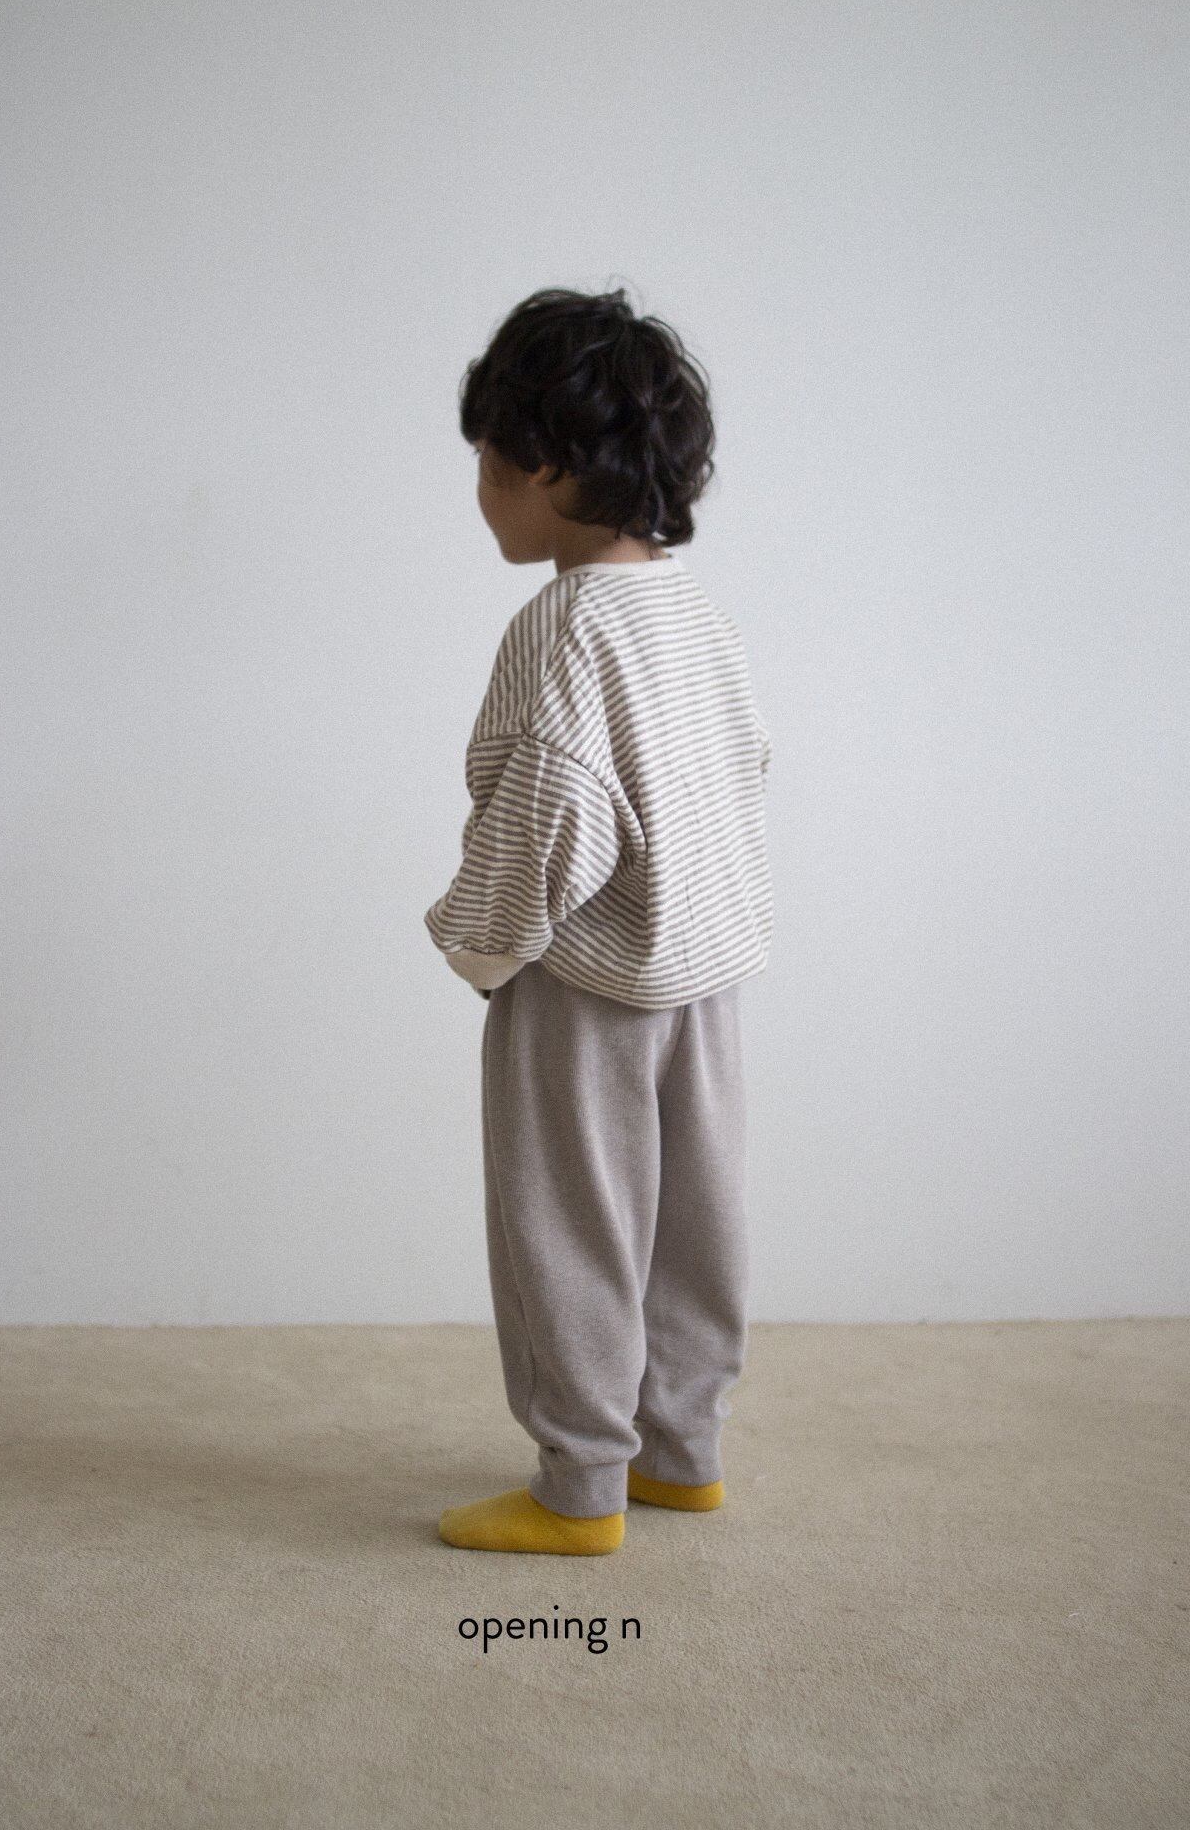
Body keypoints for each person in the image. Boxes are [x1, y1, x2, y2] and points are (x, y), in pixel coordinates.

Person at [424, 286, 774, 1555]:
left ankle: (579, 1489)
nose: (479, 493)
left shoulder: (563, 624)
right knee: (694, 1220)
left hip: (586, 981)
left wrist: (481, 947)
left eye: (486, 464)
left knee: (567, 1225)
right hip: (704, 970)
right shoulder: (695, 614)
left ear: (545, 466)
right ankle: (682, 1456)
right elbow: (746, 768)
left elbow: (549, 813)